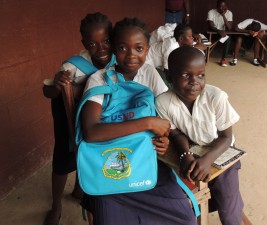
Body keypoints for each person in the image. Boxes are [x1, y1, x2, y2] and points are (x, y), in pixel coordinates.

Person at [80, 18, 197, 225]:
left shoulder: (149, 73)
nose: (131, 55)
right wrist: (147, 123)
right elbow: (91, 132)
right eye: (123, 48)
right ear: (114, 49)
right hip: (108, 168)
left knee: (185, 217)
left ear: (147, 50)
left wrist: (164, 138)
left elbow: (166, 115)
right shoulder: (99, 79)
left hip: (145, 163)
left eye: (139, 48)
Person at [156, 46, 245, 225]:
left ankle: (233, 212)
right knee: (184, 195)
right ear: (169, 75)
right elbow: (176, 133)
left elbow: (226, 137)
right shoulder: (163, 102)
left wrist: (207, 160)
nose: (194, 81)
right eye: (185, 75)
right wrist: (184, 154)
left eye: (200, 75)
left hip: (221, 151)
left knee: (228, 207)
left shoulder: (215, 97)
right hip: (193, 148)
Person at [42, 12, 116, 225]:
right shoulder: (72, 65)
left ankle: (77, 190)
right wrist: (56, 84)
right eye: (93, 44)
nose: (101, 49)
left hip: (98, 120)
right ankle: (56, 204)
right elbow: (47, 92)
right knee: (63, 160)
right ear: (84, 43)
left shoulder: (117, 60)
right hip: (69, 122)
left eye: (106, 41)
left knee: (88, 156)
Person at [207, 0, 233, 67]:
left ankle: (223, 59)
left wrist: (223, 15)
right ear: (217, 7)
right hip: (213, 33)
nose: (223, 8)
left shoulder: (229, 13)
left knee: (228, 38)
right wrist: (219, 31)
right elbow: (211, 26)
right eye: (220, 7)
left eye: (224, 6)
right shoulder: (211, 12)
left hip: (223, 35)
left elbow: (229, 27)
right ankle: (206, 57)